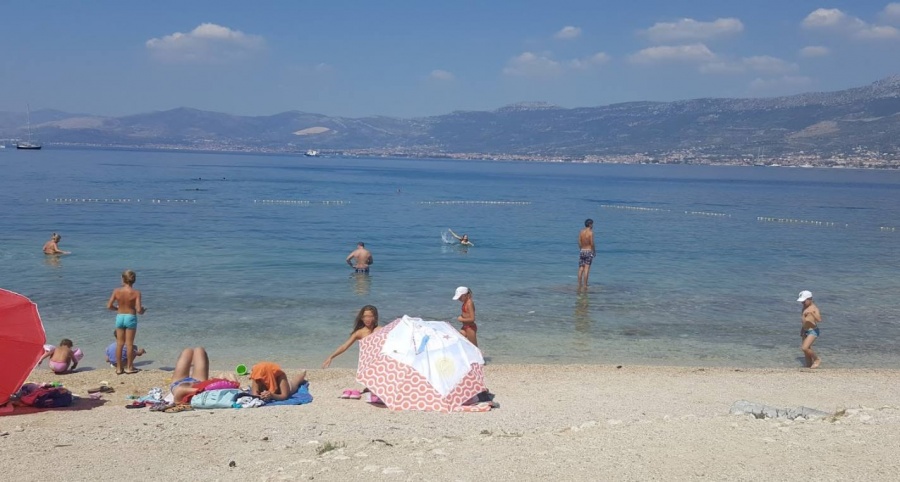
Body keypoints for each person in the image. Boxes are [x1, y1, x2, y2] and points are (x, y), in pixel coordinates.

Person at [106, 269, 146, 375]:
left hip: (120, 316)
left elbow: (109, 306)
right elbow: (139, 310)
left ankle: (119, 368)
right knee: (129, 344)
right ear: (134, 280)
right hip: (130, 317)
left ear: (123, 279)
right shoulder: (136, 293)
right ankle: (129, 367)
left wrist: (117, 309)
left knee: (119, 343)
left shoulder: (116, 291)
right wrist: (143, 311)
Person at [168, 347, 239, 404]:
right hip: (198, 382)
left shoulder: (184, 397)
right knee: (200, 350)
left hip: (179, 383)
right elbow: (233, 381)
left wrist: (202, 390)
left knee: (187, 351)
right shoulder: (205, 393)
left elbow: (179, 393)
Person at [798, 290, 823, 369]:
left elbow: (819, 320)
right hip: (805, 330)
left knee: (804, 347)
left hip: (813, 331)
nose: (802, 303)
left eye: (804, 301)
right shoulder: (804, 307)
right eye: (801, 301)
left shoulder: (814, 308)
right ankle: (808, 365)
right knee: (806, 351)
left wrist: (812, 313)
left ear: (809, 299)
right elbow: (804, 321)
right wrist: (802, 329)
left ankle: (817, 359)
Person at [578, 219, 596, 287]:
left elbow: (579, 242)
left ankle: (579, 284)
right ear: (590, 224)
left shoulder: (581, 232)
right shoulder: (591, 233)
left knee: (581, 268)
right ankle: (585, 285)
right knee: (586, 268)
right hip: (588, 251)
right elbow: (592, 243)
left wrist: (581, 249)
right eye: (592, 224)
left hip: (582, 250)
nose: (593, 225)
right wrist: (594, 251)